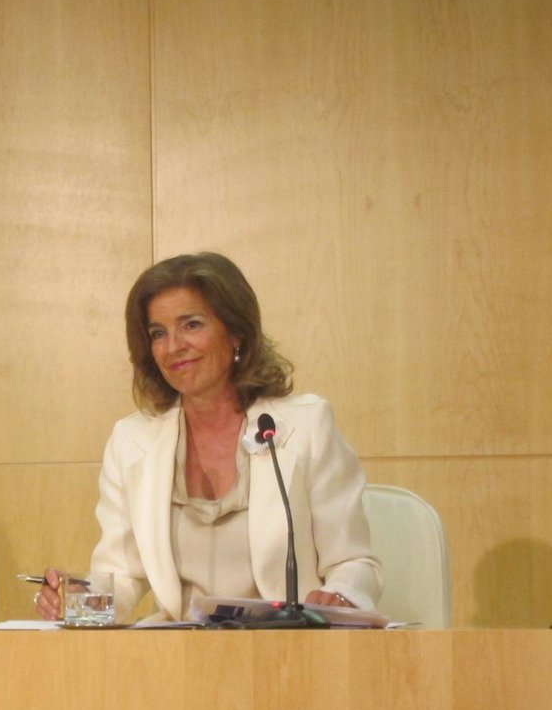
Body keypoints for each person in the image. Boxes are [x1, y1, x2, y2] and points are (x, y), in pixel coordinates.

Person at [34, 252, 382, 623]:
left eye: (192, 325)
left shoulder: (307, 426)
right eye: (158, 333)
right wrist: (77, 598)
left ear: (236, 333)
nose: (173, 346)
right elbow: (123, 577)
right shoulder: (131, 441)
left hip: (284, 645)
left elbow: (353, 562)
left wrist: (341, 595)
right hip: (176, 648)